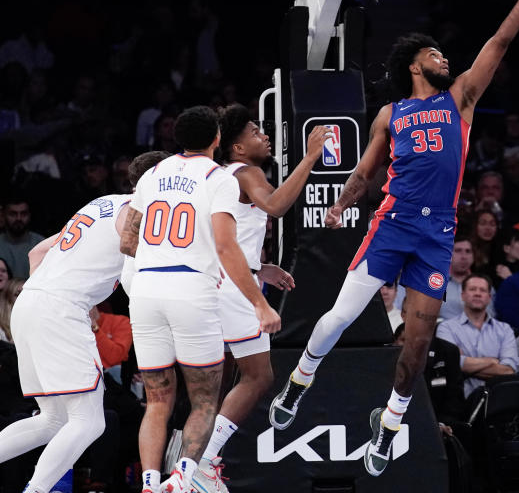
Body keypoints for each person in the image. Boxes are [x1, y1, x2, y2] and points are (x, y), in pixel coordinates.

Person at [267, 0, 519, 478]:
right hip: (393, 222)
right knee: (338, 317)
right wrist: (340, 205)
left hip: (436, 233)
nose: (445, 58)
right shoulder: (391, 113)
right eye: (435, 52)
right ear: (414, 63)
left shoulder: (461, 99)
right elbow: (363, 173)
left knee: (420, 340)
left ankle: (391, 422)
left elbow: (500, 40)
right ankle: (300, 378)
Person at [122, 107, 282, 493]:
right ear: (216, 139)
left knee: (157, 399)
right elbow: (227, 247)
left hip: (144, 291)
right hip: (190, 291)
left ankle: (150, 483)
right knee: (205, 400)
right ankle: (184, 479)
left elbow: (127, 241)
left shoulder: (152, 174)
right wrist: (260, 303)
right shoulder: (217, 177)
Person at [0, 151, 166, 493]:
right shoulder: (139, 213)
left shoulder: (102, 203)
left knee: (54, 420)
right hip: (59, 309)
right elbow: (137, 259)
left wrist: (45, 297)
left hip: (28, 304)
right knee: (90, 421)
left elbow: (37, 254)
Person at [184, 105, 328, 493]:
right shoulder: (247, 173)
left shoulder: (218, 177)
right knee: (259, 375)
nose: (263, 135)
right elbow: (276, 205)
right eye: (254, 131)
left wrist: (260, 268)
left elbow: (222, 240)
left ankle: (189, 465)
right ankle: (203, 462)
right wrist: (311, 157)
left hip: (209, 282)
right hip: (231, 290)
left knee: (218, 382)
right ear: (237, 147)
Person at [435, 274, 518, 397]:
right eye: (472, 289)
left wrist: (466, 367)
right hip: (458, 400)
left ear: (489, 297)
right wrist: (492, 362)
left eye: (483, 290)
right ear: (462, 295)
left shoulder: (505, 330)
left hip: (497, 401)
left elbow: (508, 370)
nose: (478, 293)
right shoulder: (446, 328)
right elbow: (450, 364)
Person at [0, 196, 44, 279]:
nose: (18, 218)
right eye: (13, 214)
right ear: (3, 215)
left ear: (29, 215)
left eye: (23, 214)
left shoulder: (42, 244)